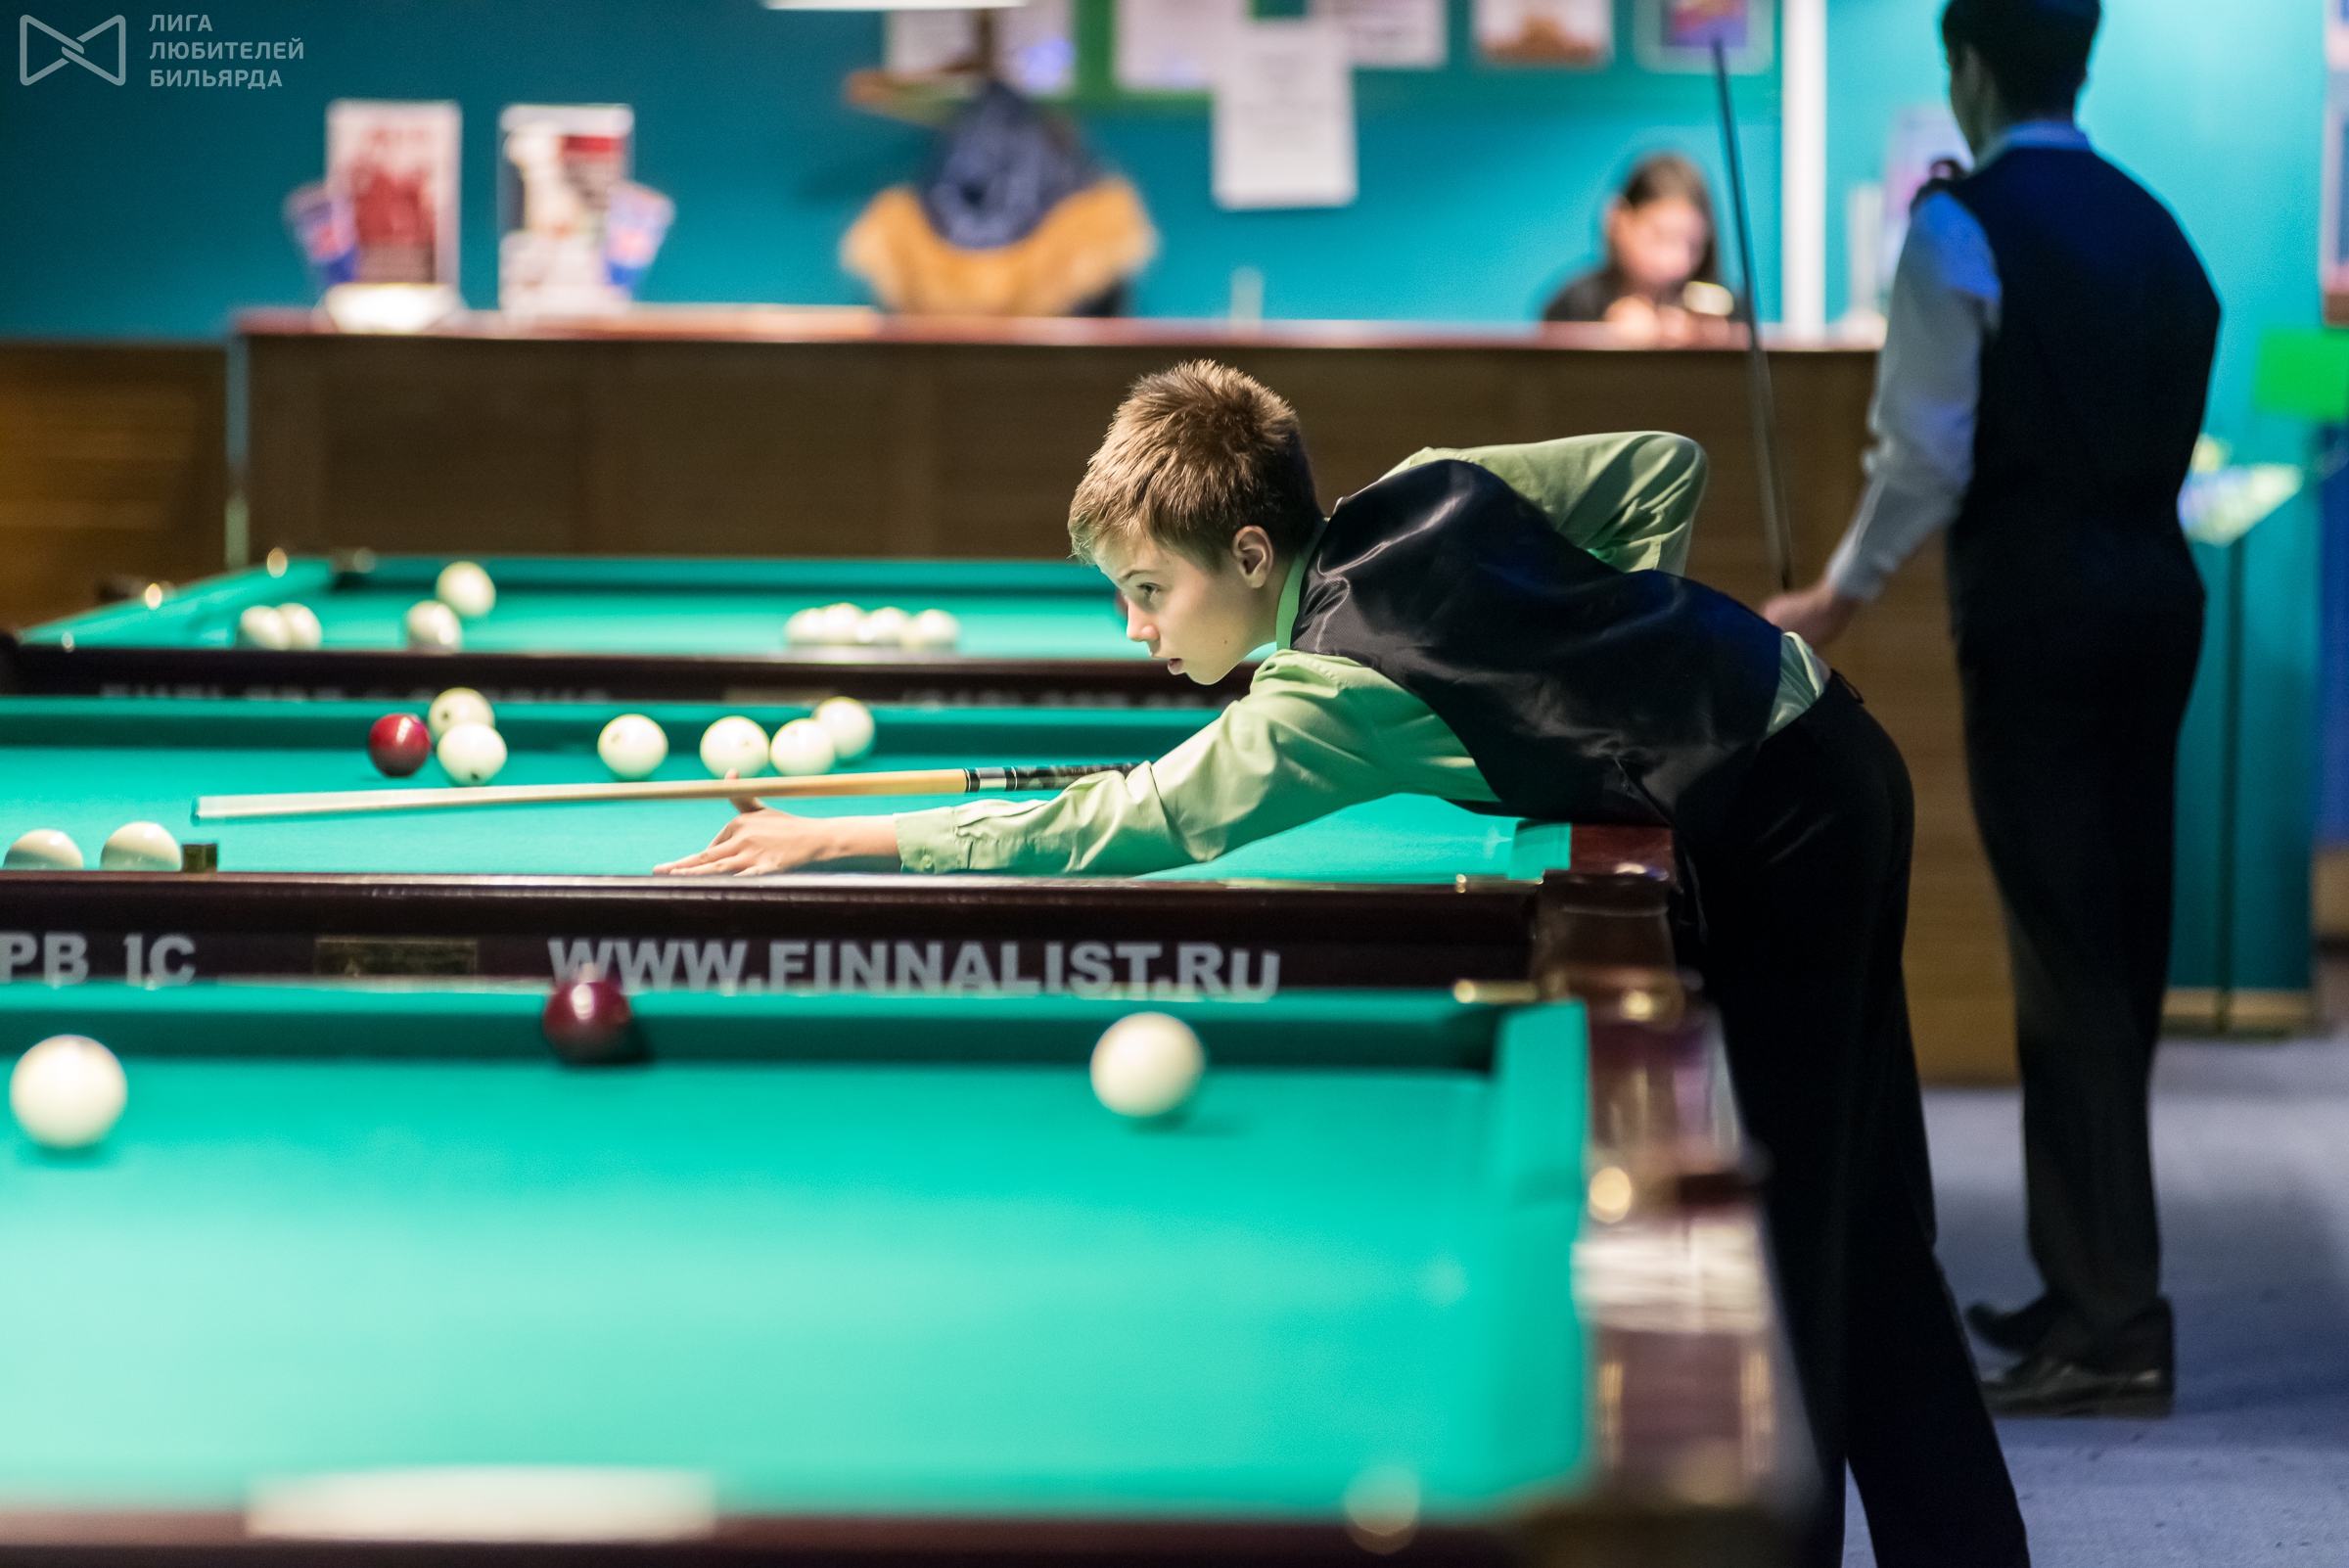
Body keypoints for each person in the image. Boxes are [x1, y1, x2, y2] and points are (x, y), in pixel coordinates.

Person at [662, 361, 2029, 1567]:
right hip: (1834, 751)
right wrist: (1619, 660)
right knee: (1857, 1219)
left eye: (1149, 590)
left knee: (1786, 1248)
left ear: (1252, 550)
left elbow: (1125, 824)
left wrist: (844, 833)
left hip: (1781, 828)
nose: (1135, 630)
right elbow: (1658, 467)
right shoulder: (1423, 486)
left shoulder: (1324, 694)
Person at [1763, 0, 2216, 1419]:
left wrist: (1835, 598)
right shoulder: (2158, 226)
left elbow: (1924, 457)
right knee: (2115, 947)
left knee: (2065, 956)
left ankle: (2114, 1319)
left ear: (1967, 69)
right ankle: (2086, 1282)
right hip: (2159, 602)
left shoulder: (1959, 227)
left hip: (2038, 619)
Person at [1542, 153, 1737, 345]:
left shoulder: (1729, 314)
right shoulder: (1574, 304)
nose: (1678, 260)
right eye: (1661, 237)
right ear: (1618, 219)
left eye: (1693, 245)